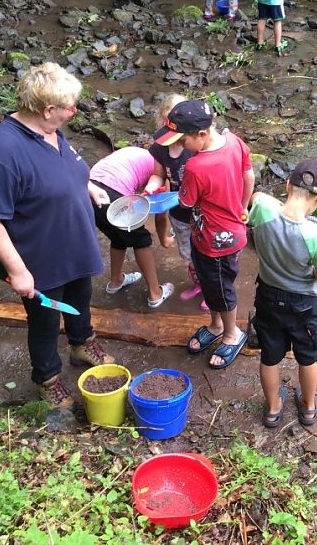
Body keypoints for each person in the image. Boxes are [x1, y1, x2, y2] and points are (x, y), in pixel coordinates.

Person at [0, 63, 113, 409]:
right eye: (70, 106)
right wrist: (19, 271)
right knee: (45, 320)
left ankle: (82, 344)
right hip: (38, 257)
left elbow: (64, 171)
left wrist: (89, 187)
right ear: (48, 109)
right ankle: (47, 377)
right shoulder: (3, 152)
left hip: (73, 244)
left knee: (80, 298)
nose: (75, 111)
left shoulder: (50, 130)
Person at [160, 100, 255, 369]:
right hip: (216, 234)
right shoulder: (233, 141)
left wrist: (161, 198)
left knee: (222, 290)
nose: (179, 146)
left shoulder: (196, 166)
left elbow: (186, 203)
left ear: (201, 135)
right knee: (210, 283)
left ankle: (231, 333)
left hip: (216, 241)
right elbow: (249, 175)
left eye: (182, 140)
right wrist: (242, 206)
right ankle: (215, 326)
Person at [248, 160, 317, 428]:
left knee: (270, 355)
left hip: (268, 297)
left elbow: (257, 196)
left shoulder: (263, 210)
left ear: (287, 185)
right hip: (304, 304)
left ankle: (274, 408)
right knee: (308, 357)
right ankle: (308, 407)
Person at [89, 146, 175, 308]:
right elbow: (161, 213)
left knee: (118, 236)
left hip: (88, 190)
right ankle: (155, 293)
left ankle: (116, 281)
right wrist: (164, 239)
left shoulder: (138, 153)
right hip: (108, 192)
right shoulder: (161, 168)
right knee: (140, 238)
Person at [144, 94, 206, 311]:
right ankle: (199, 283)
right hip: (179, 211)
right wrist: (152, 187)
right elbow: (158, 175)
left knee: (208, 252)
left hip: (201, 210)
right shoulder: (161, 147)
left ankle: (212, 289)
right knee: (188, 252)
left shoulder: (195, 144)